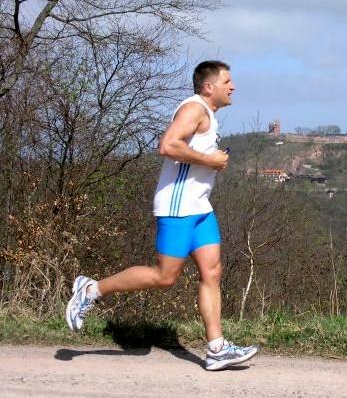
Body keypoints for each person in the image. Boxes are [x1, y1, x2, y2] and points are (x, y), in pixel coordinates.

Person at [66, 60, 258, 371]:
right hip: (177, 207)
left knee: (212, 272)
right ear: (209, 86)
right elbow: (168, 145)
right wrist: (209, 161)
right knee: (165, 277)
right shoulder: (194, 109)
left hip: (200, 208)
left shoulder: (209, 115)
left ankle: (217, 348)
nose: (232, 87)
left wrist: (211, 162)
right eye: (227, 82)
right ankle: (91, 290)